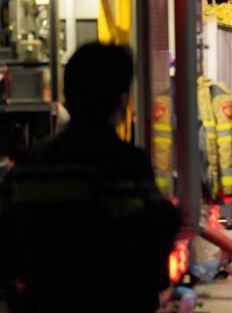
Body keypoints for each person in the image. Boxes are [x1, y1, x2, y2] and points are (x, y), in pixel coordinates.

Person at [0, 42, 180, 313]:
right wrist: (169, 218)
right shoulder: (124, 164)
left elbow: (6, 254)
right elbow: (149, 255)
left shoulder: (27, 168)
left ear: (68, 96)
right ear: (122, 98)